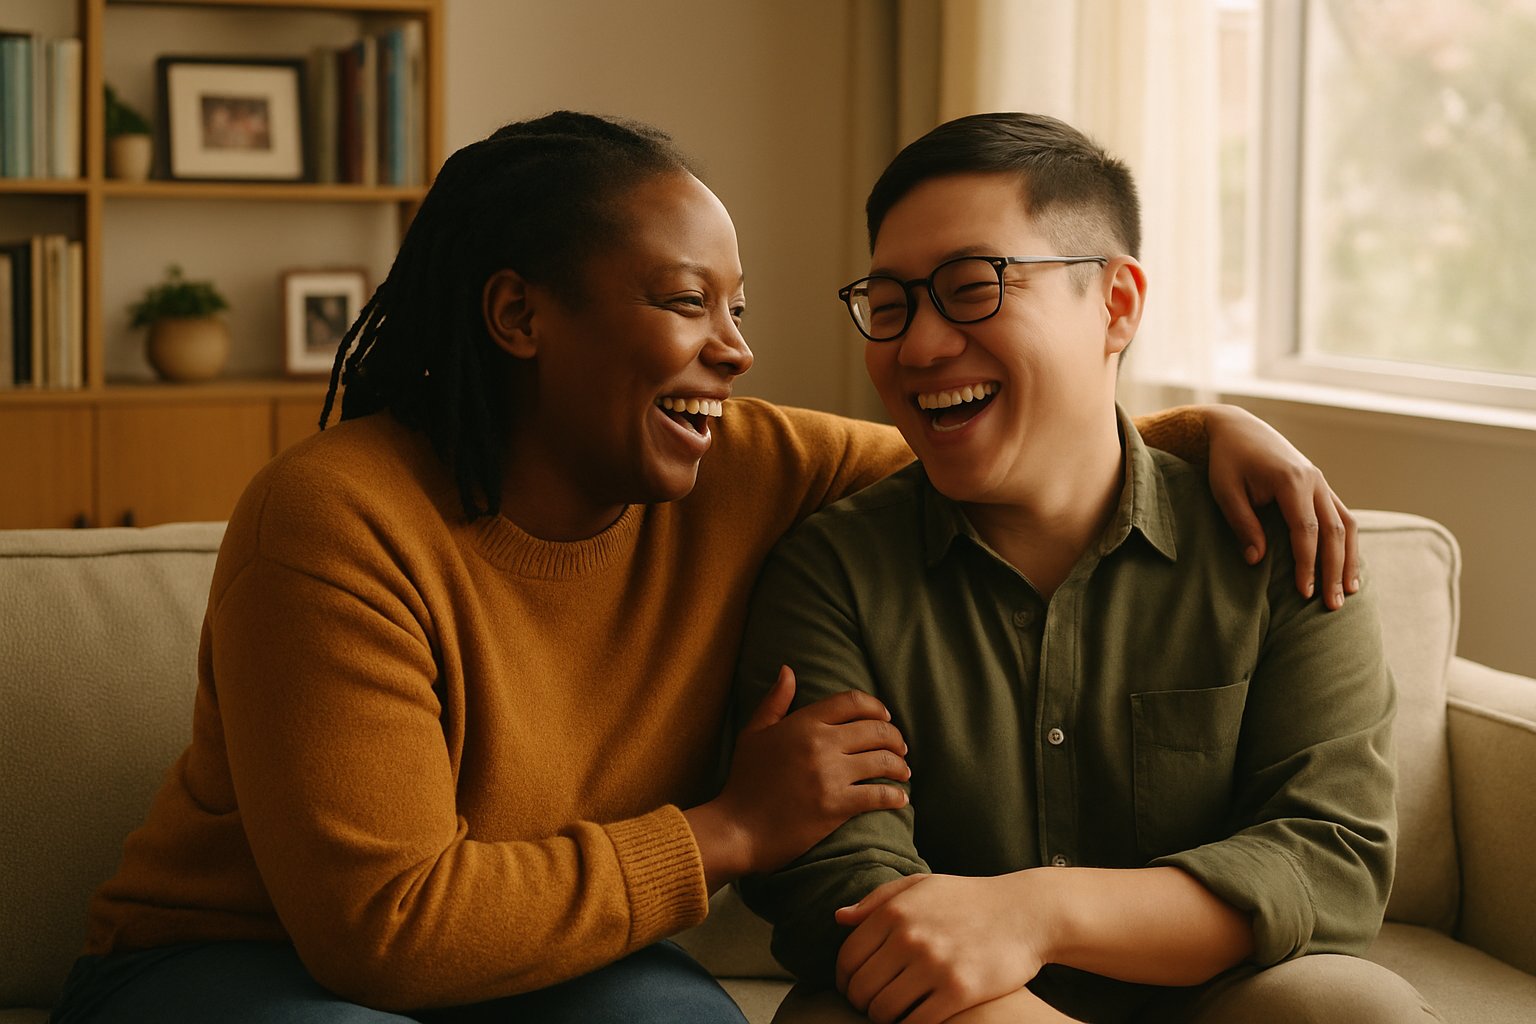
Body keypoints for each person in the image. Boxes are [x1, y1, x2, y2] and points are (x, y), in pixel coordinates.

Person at [51, 111, 1359, 1024]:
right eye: (687, 303)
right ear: (520, 316)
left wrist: (1210, 434)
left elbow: (991, 437)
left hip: (556, 960)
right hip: (245, 959)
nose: (735, 351)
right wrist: (730, 829)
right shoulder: (336, 519)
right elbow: (383, 931)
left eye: (740, 308)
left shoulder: (740, 465)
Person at [734, 112, 1435, 1024]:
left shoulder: (1282, 546)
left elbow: (1325, 857)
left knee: (1355, 1008)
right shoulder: (831, 571)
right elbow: (841, 885)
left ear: (1117, 304)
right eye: (893, 301)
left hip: (1217, 994)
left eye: (971, 286)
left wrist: (1037, 913)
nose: (917, 346)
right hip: (949, 1007)